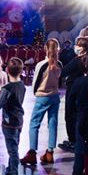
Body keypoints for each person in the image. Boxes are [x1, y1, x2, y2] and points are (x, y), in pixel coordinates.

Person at [21, 38, 63, 166]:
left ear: (45, 48)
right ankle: (50, 152)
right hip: (54, 96)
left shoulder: (42, 65)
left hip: (42, 96)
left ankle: (32, 152)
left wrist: (36, 93)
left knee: (34, 124)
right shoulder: (59, 64)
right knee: (52, 124)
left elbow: (36, 82)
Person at [59, 36, 88, 152]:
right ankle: (79, 140)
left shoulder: (77, 60)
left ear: (82, 48)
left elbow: (63, 72)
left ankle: (73, 141)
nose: (75, 47)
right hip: (85, 89)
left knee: (70, 115)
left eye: (77, 45)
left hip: (73, 88)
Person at [0, 58, 26, 175]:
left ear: (7, 70)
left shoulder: (7, 88)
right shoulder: (22, 85)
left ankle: (15, 174)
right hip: (19, 119)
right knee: (14, 146)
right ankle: (11, 169)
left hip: (9, 122)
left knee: (12, 150)